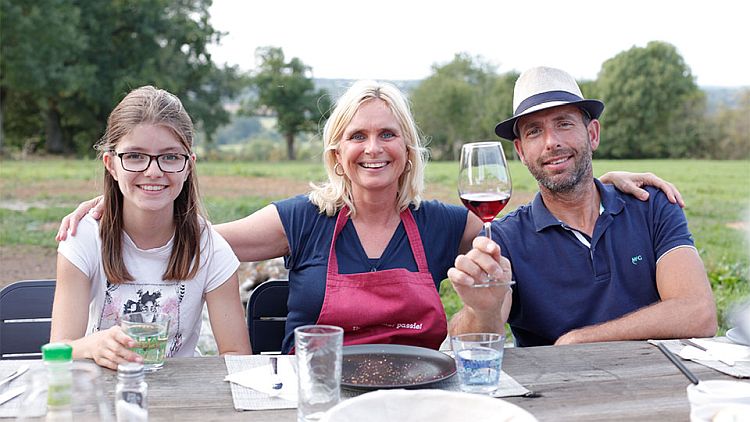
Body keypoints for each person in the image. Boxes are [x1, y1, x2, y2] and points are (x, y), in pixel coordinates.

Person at [57, 80, 682, 354]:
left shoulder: (441, 223)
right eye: (358, 135)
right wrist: (117, 203)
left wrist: (600, 187)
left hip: (422, 399)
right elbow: (185, 241)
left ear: (408, 148)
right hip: (322, 403)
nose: (374, 147)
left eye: (389, 134)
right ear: (337, 151)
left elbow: (529, 222)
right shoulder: (301, 220)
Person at [447, 66, 718, 346]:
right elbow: (472, 344)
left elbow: (698, 312)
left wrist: (579, 340)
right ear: (521, 152)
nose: (551, 142)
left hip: (658, 384)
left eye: (564, 123)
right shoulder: (503, 239)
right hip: (554, 389)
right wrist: (482, 310)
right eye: (534, 132)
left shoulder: (651, 205)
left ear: (593, 134)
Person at [51, 86, 251, 370]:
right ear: (111, 164)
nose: (153, 171)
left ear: (188, 166)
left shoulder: (210, 248)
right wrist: (92, 345)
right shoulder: (83, 238)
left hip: (179, 400)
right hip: (101, 397)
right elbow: (59, 350)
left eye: (170, 157)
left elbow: (236, 355)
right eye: (134, 156)